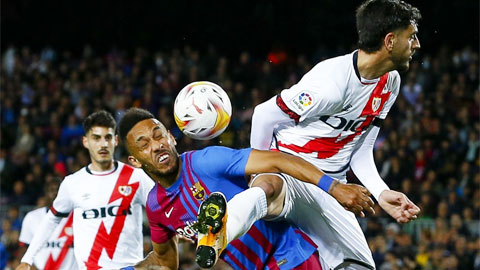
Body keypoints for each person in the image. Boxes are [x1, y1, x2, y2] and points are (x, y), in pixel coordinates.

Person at [247, 0, 422, 269]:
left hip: (332, 187)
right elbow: (264, 115)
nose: (417, 44)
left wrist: (381, 192)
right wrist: (257, 169)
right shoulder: (331, 84)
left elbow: (360, 150)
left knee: (360, 267)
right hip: (292, 171)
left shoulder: (390, 82)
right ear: (390, 41)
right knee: (266, 194)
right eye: (411, 36)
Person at [116, 107, 373, 269]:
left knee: (269, 181)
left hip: (289, 259)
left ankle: (221, 227)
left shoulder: (206, 162)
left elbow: (276, 159)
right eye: (144, 143)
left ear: (172, 137)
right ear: (135, 160)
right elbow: (165, 262)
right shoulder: (156, 205)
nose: (157, 144)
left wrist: (334, 186)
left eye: (159, 135)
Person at [16, 110, 154, 270]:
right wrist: (27, 259)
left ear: (115, 141)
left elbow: (163, 208)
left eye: (108, 137)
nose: (103, 144)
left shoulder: (136, 177)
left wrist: (179, 229)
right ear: (85, 142)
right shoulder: (73, 183)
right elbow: (51, 220)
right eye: (96, 138)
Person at [18, 179, 78, 270]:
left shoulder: (77, 216)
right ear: (45, 194)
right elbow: (23, 249)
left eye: (58, 190)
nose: (55, 194)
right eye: (51, 190)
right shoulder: (32, 217)